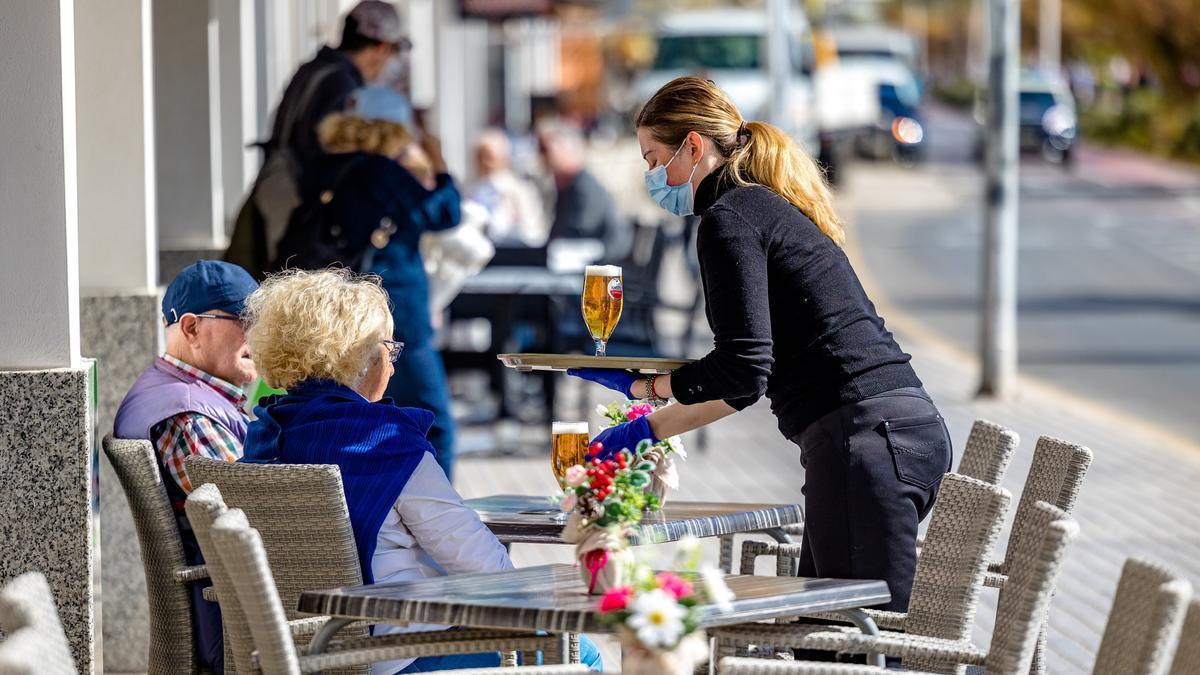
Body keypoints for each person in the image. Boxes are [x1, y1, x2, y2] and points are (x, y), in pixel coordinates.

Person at [569, 77, 953, 615]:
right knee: (823, 639)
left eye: (654, 158)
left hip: (863, 441)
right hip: (887, 432)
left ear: (694, 146)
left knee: (856, 647)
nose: (651, 176)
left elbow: (742, 367)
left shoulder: (728, 220)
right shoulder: (758, 207)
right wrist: (649, 422)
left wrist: (648, 390)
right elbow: (749, 379)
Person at [239, 269, 602, 674]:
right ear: (360, 356)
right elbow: (480, 565)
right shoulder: (384, 441)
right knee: (582, 653)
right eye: (389, 350)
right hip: (394, 656)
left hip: (292, 653)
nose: (392, 366)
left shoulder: (263, 436)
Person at [274, 105, 461, 479]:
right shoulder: (380, 171)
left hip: (332, 314)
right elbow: (444, 213)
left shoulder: (315, 171)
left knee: (348, 412)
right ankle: (437, 510)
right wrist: (439, 163)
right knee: (434, 418)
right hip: (393, 310)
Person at [113, 260, 260, 674]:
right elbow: (260, 521)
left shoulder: (179, 393)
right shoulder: (189, 417)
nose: (260, 335)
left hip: (228, 606)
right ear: (192, 329)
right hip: (237, 620)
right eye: (246, 319)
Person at [226, 0, 411, 277]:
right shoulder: (343, 84)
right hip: (297, 198)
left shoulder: (315, 68)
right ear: (381, 48)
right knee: (300, 286)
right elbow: (331, 154)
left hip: (280, 186)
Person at [537, 118, 633, 261]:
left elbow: (581, 230)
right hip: (582, 258)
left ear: (567, 150)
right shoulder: (565, 184)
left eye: (546, 149)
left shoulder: (584, 185)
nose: (541, 156)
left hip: (603, 264)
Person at [467, 128, 548, 246]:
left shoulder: (519, 190)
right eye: (480, 156)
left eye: (489, 157)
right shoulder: (470, 188)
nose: (484, 162)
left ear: (504, 158)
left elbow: (533, 232)